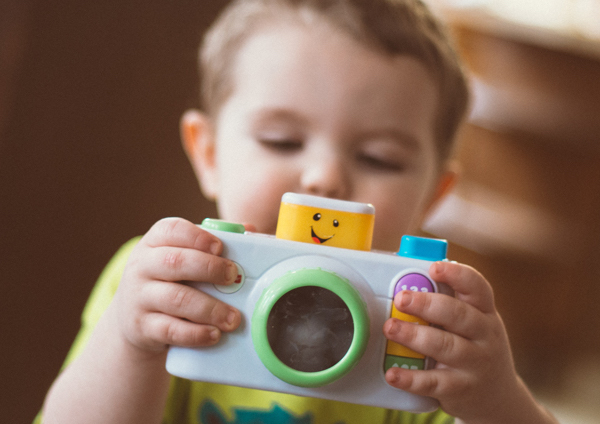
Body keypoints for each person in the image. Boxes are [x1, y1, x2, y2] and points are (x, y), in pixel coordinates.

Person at [36, 0, 559, 423]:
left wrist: (496, 401)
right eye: (282, 141)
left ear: (433, 196)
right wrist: (130, 343)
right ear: (209, 155)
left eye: (379, 157)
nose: (324, 178)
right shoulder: (167, 283)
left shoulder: (419, 327)